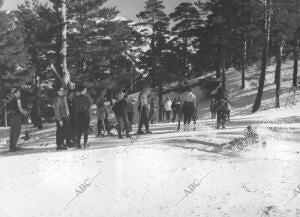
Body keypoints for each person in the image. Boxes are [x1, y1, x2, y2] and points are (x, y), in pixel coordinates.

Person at [73, 83, 92, 148]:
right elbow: (90, 104)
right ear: (83, 90)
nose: (86, 90)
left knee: (79, 130)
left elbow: (74, 106)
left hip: (78, 115)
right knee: (86, 129)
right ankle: (85, 143)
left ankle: (78, 144)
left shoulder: (75, 98)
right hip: (85, 114)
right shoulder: (86, 97)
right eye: (85, 89)